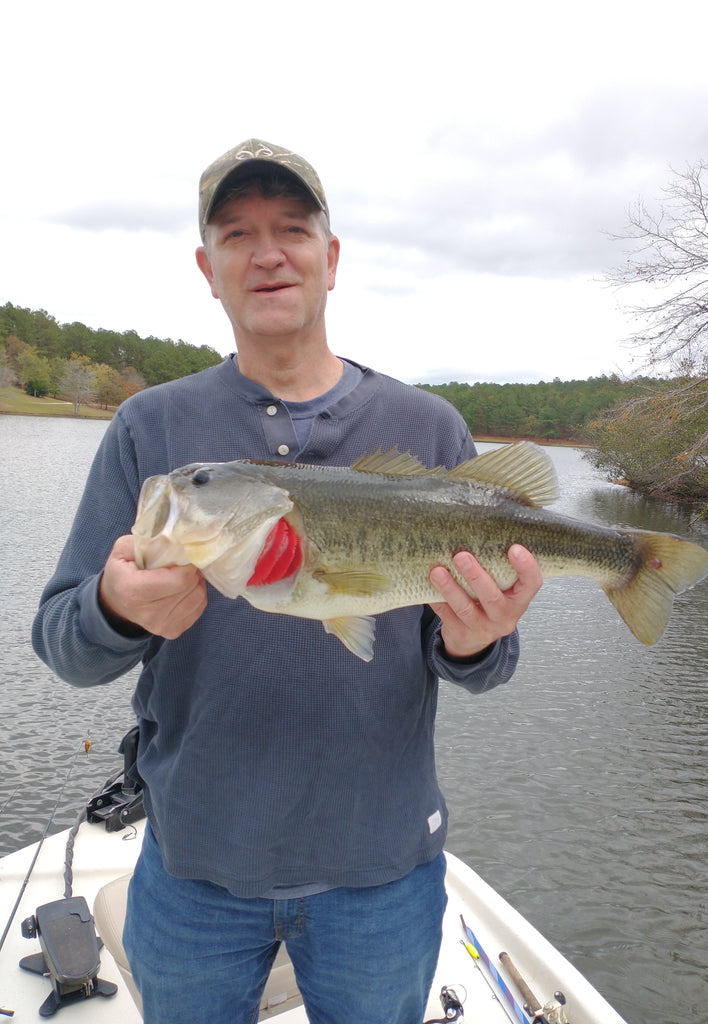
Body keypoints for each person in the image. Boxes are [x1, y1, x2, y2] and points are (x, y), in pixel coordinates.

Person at [32, 138, 543, 1024]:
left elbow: (486, 663)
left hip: (382, 872)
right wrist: (116, 605)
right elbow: (63, 645)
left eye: (293, 228)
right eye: (237, 234)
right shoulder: (150, 429)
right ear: (208, 268)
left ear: (331, 258)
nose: (267, 252)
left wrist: (475, 636)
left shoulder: (427, 428)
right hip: (194, 867)